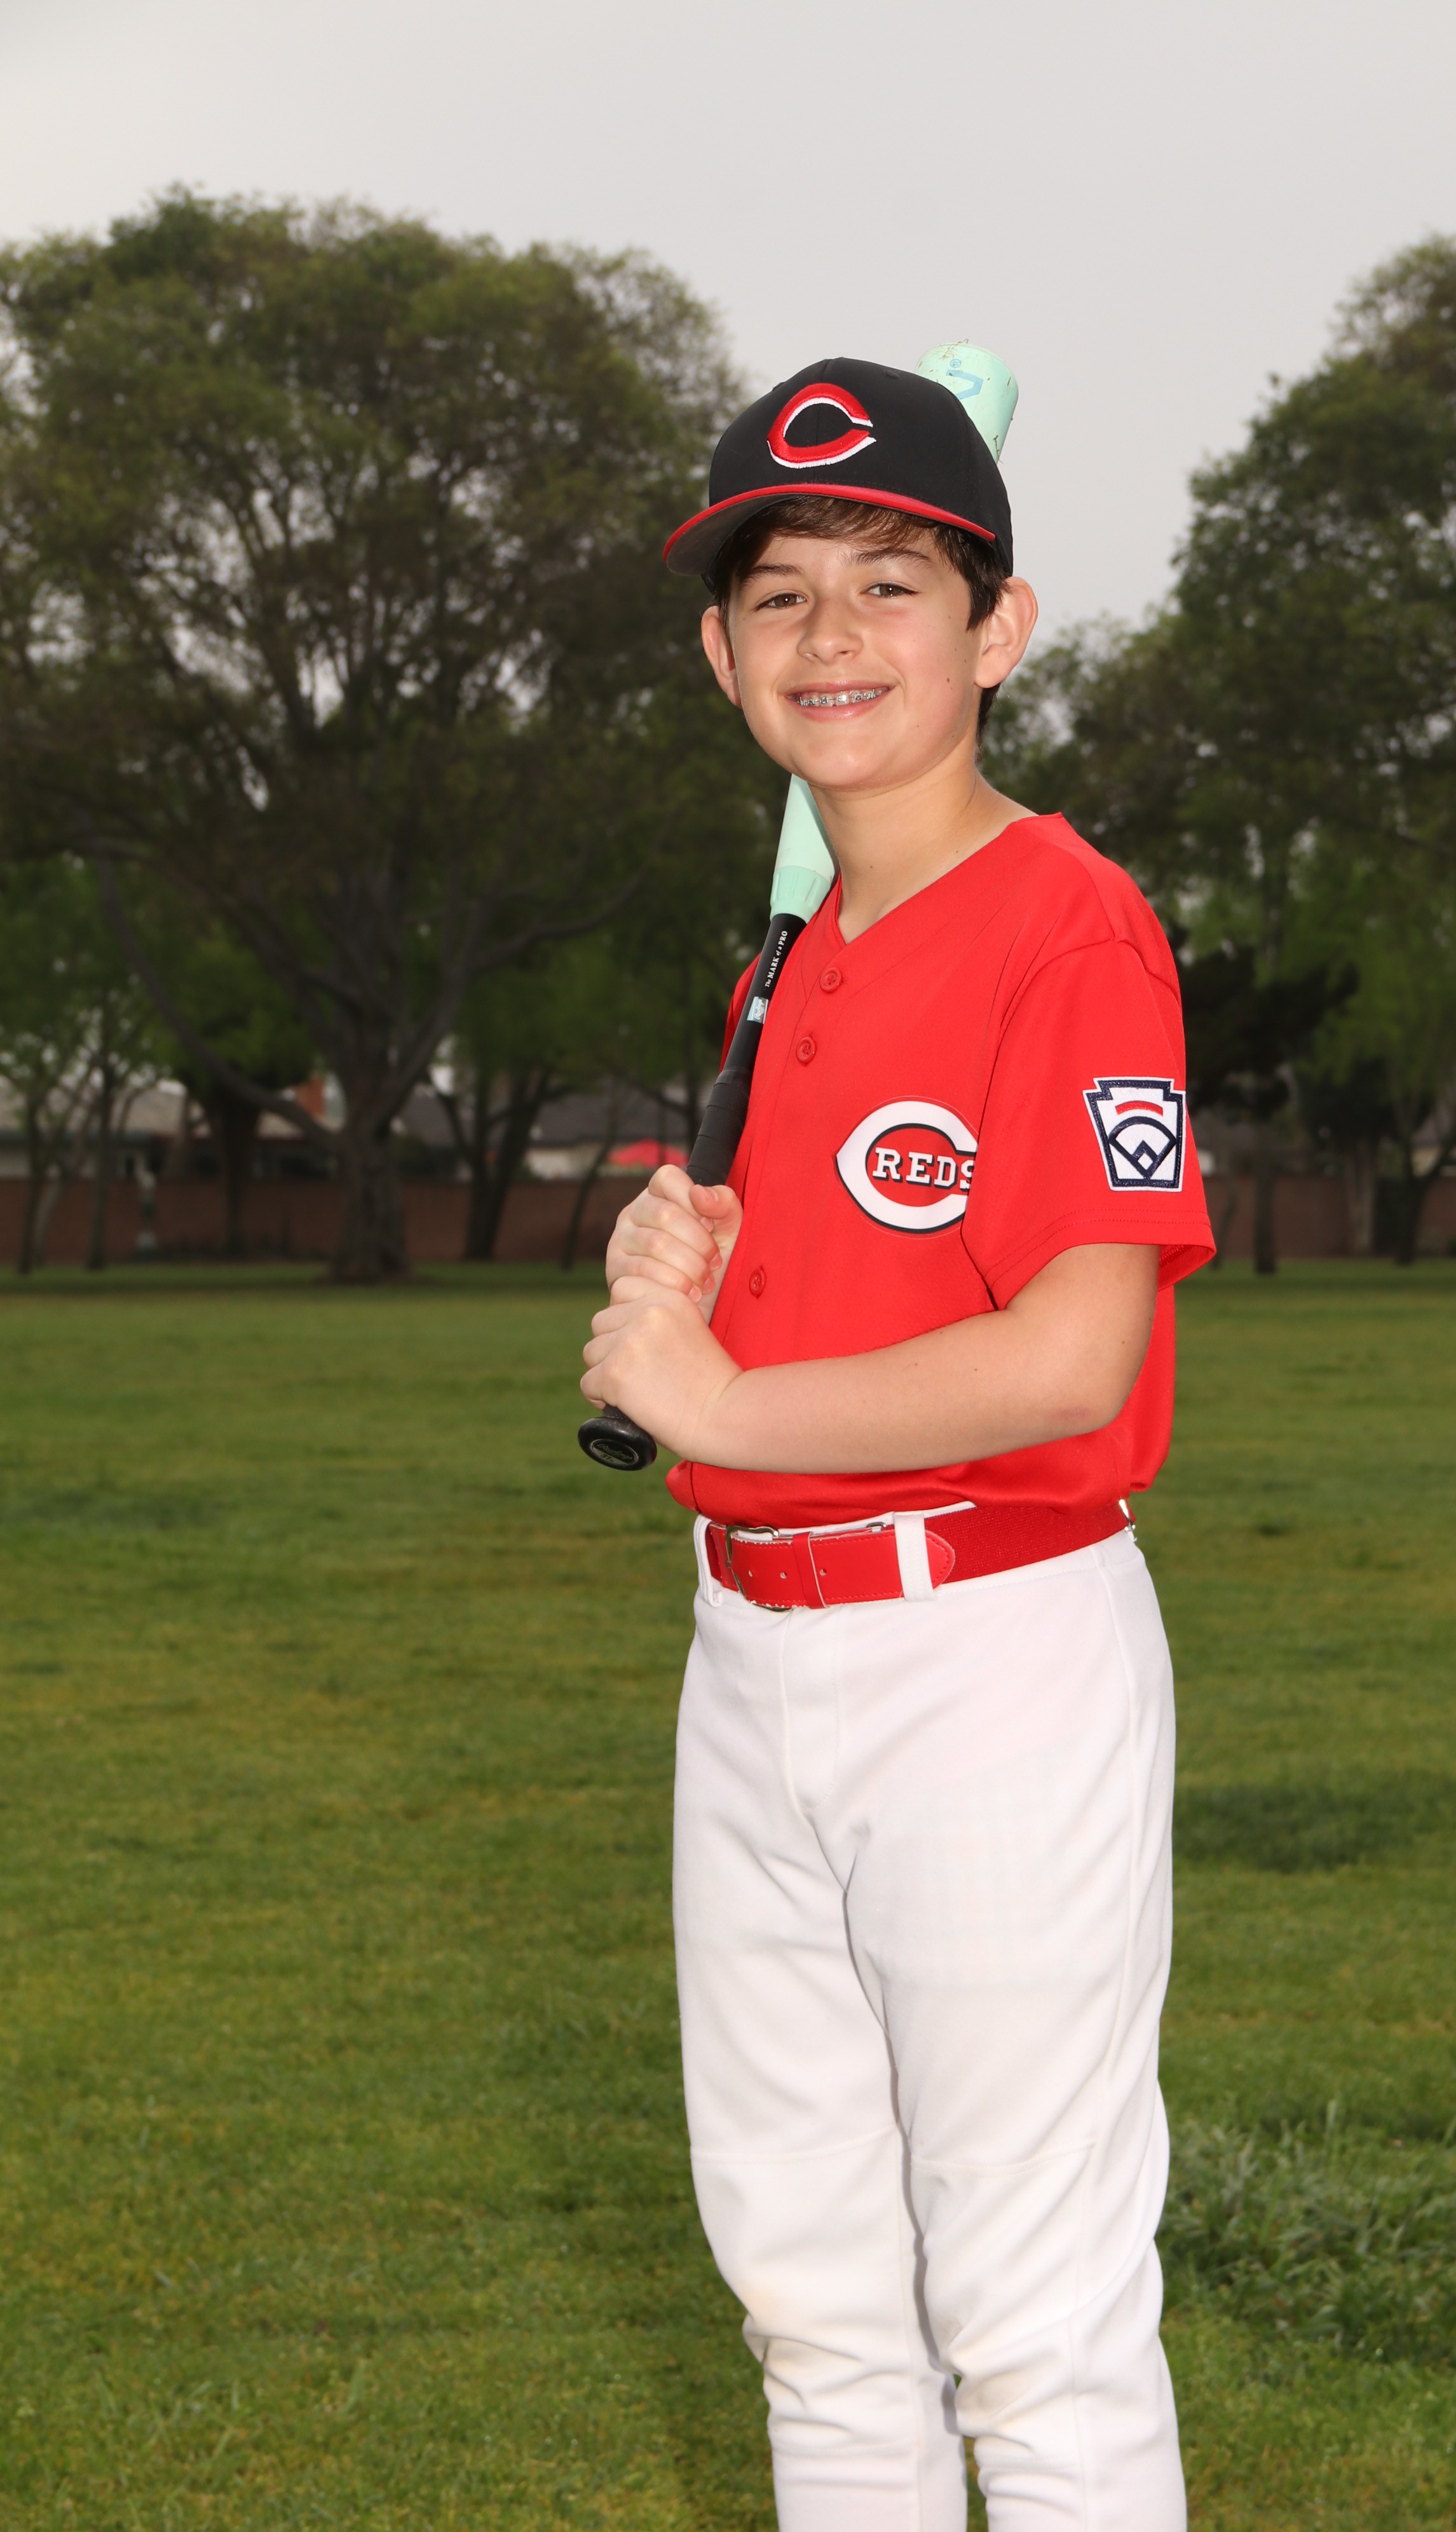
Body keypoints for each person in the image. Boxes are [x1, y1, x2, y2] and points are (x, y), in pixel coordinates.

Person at [580, 357, 1214, 2532]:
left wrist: (723, 1402)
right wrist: (685, 1267)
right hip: (754, 1652)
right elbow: (838, 1271)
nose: (831, 635)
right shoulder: (800, 960)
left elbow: (1072, 1352)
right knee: (818, 2308)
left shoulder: (1071, 925)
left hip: (988, 1654)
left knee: (1031, 2324)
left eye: (892, 584)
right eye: (780, 595)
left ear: (999, 630)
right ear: (719, 655)